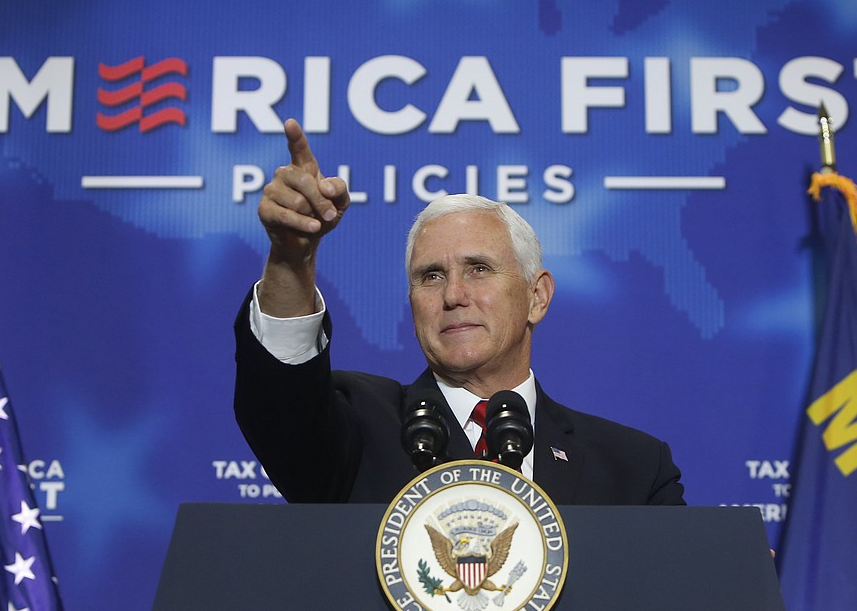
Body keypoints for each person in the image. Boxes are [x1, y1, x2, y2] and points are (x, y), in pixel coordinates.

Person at [234, 119, 684, 506]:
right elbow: (283, 404)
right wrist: (291, 261)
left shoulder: (634, 468)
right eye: (430, 276)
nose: (453, 294)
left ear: (537, 297)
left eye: (479, 269)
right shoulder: (358, 427)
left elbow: (686, 596)